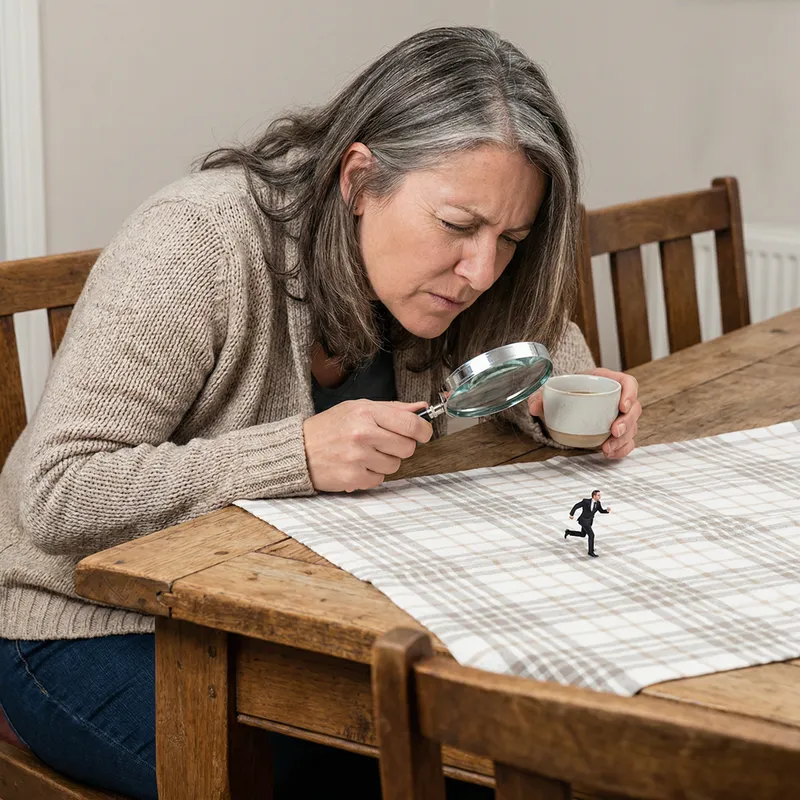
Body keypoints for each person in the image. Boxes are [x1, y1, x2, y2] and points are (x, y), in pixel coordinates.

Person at [0, 26, 641, 799]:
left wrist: (556, 399)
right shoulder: (197, 243)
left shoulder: (452, 270)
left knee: (486, 749)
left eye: (512, 237)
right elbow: (57, 493)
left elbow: (542, 347)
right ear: (360, 179)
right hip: (78, 624)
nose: (481, 270)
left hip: (269, 621)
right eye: (459, 226)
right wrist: (296, 455)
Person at [565, 490, 611, 557]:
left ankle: (568, 532)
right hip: (583, 521)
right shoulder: (586, 501)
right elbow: (576, 506)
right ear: (594, 496)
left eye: (599, 495)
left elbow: (601, 511)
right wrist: (571, 514)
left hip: (589, 521)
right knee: (591, 535)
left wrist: (606, 511)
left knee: (583, 534)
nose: (600, 496)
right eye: (598, 495)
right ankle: (590, 552)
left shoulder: (598, 503)